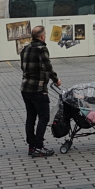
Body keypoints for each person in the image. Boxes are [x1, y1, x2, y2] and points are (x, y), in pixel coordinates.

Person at [20, 25, 61, 157]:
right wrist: (56, 80)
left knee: (30, 117)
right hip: (38, 88)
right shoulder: (41, 48)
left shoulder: (25, 48)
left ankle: (31, 147)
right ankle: (39, 146)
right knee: (44, 117)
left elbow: (23, 67)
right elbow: (47, 66)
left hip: (25, 88)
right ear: (42, 36)